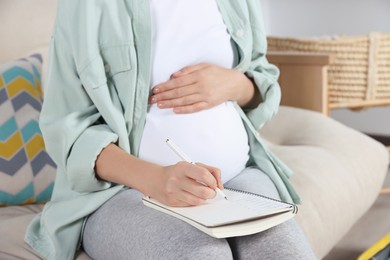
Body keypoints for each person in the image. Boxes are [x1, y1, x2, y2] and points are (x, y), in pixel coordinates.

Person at [25, 0, 316, 259]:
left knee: (286, 251)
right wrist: (155, 179)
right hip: (124, 192)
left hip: (239, 175)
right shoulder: (85, 6)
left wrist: (235, 84)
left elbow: (262, 77)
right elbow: (66, 129)